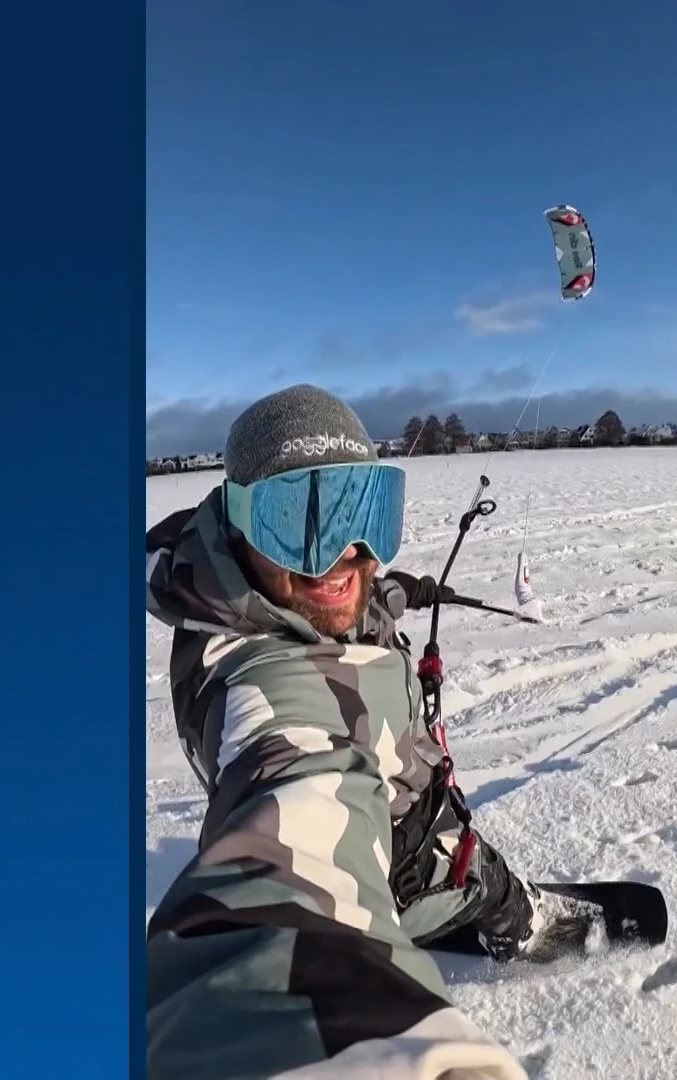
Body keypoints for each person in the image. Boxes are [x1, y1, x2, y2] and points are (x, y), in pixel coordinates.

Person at [144, 384, 541, 1079]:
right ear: (238, 522)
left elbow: (340, 589)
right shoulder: (265, 688)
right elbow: (279, 869)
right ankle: (515, 918)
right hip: (399, 862)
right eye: (296, 518)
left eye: (365, 516)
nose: (344, 557)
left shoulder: (272, 588)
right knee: (478, 882)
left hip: (408, 798)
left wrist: (398, 589)